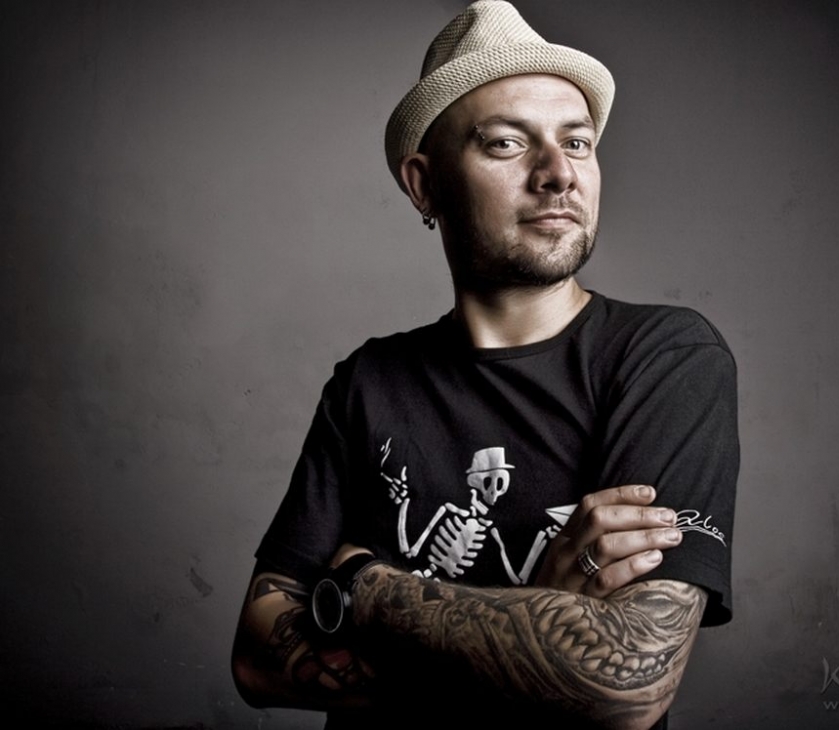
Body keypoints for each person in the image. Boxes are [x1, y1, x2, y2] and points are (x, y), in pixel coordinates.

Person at [232, 3, 738, 729]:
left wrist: (364, 585)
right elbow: (258, 657)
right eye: (506, 143)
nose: (558, 174)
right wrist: (543, 628)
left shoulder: (664, 357)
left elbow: (626, 683)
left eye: (578, 142)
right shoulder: (368, 382)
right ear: (424, 185)